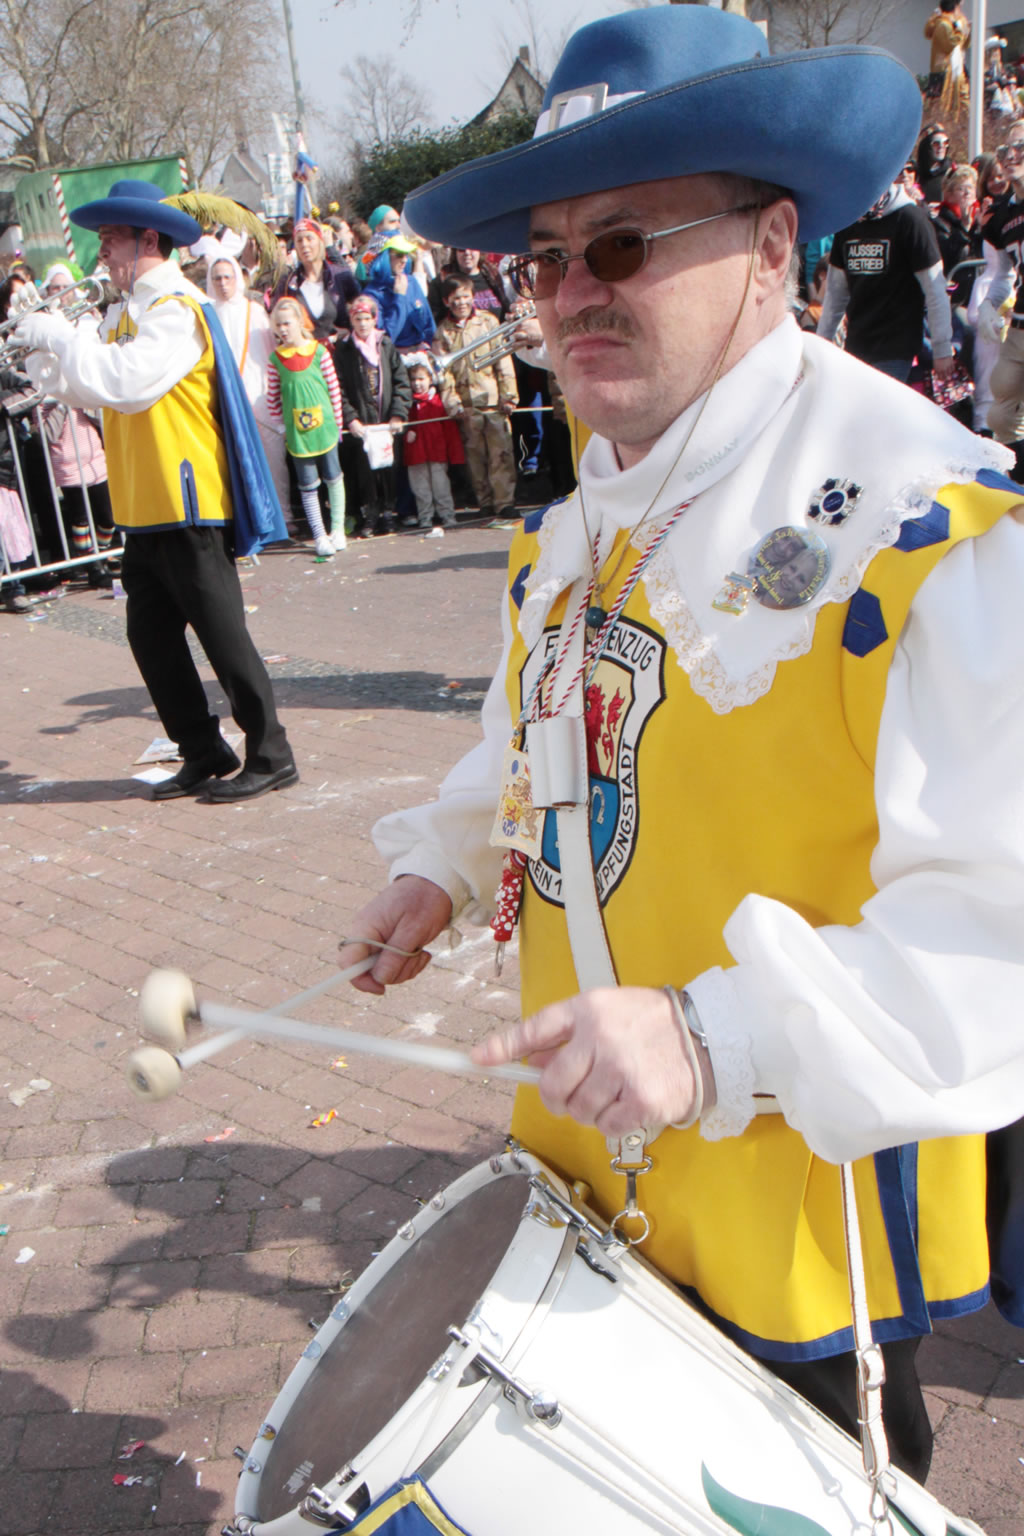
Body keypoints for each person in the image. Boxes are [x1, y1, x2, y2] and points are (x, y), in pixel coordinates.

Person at [338, 5, 1024, 1486]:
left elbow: (997, 924)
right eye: (546, 260)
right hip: (587, 1169)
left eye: (623, 244)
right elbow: (537, 733)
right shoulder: (583, 515)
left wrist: (714, 1038)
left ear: (773, 248)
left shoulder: (928, 521)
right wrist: (445, 864)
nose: (573, 293)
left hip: (798, 1213)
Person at [15, 179, 298, 803]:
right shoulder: (124, 311)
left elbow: (127, 382)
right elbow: (89, 388)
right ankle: (202, 748)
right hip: (143, 503)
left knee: (222, 635)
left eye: (110, 239)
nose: (101, 253)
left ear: (148, 240)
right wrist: (39, 353)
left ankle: (271, 752)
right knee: (150, 638)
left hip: (186, 497)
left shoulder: (175, 308)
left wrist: (61, 336)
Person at [817, 180, 954, 384]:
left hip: (896, 347)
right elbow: (835, 295)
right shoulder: (849, 224)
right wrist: (822, 345)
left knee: (879, 402)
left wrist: (942, 348)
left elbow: (935, 288)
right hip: (857, 344)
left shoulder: (910, 219)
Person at [37, 264, 117, 590]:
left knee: (106, 513)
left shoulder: (86, 322)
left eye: (64, 287)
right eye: (54, 288)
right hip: (64, 442)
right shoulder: (43, 328)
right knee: (79, 514)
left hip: (91, 439)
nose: (60, 293)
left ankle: (105, 553)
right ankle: (92, 565)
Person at [205, 250, 290, 524]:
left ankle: (283, 516)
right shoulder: (208, 315)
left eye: (227, 277)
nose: (222, 283)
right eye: (217, 278)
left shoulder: (253, 310)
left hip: (260, 394)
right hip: (227, 396)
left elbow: (270, 352)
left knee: (273, 457)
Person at [267, 297, 346, 558]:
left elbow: (333, 388)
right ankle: (319, 534)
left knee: (334, 477)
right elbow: (273, 397)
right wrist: (280, 425)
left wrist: (338, 422)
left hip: (325, 429)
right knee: (308, 484)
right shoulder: (276, 359)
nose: (283, 329)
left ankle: (337, 529)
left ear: (299, 322)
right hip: (298, 434)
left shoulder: (319, 352)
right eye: (278, 325)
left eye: (287, 323)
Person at [434, 275, 518, 520]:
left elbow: (503, 359)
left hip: (492, 400)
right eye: (455, 298)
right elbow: (445, 374)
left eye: (465, 296)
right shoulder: (443, 331)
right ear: (447, 301)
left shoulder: (488, 322)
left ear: (473, 297)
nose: (461, 302)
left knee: (501, 454)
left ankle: (505, 502)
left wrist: (509, 394)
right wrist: (453, 403)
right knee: (475, 458)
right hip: (466, 405)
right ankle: (485, 502)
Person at [333, 293, 411, 537]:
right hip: (362, 423)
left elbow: (401, 381)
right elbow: (338, 387)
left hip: (386, 420)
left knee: (388, 468)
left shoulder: (385, 345)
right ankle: (370, 513)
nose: (363, 324)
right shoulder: (344, 349)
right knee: (365, 471)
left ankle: (388, 512)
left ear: (374, 319)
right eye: (358, 319)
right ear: (351, 321)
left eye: (367, 318)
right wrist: (350, 418)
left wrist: (398, 414)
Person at [976, 124, 1024, 461]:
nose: (1010, 156)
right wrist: (989, 305)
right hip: (1019, 324)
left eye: (1020, 147)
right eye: (1006, 149)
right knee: (1001, 415)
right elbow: (1004, 271)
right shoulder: (1002, 214)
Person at [270, 217, 359, 343]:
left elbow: (360, 311)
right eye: (299, 240)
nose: (304, 244)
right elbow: (276, 320)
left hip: (340, 350)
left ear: (320, 241)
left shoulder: (340, 276)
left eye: (309, 238)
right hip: (305, 352)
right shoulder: (288, 283)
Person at [401, 357, 465, 530]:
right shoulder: (407, 403)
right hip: (416, 454)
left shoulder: (438, 402)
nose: (417, 384)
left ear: (430, 379)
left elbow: (450, 431)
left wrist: (454, 455)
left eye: (421, 379)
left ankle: (447, 515)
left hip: (437, 452)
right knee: (420, 488)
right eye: (413, 379)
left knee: (441, 486)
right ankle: (425, 517)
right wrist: (407, 433)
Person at [361, 237, 436, 354]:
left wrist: (429, 345)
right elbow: (386, 338)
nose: (404, 260)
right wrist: (399, 297)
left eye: (406, 255)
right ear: (384, 257)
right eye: (399, 255)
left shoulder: (411, 281)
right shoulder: (371, 294)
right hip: (394, 356)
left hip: (421, 352)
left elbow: (428, 322)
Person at [924, 2, 970, 118]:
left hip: (957, 70)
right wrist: (960, 31)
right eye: (959, 6)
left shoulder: (959, 21)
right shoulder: (942, 23)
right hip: (943, 70)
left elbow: (964, 44)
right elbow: (950, 44)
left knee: (961, 103)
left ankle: (962, 124)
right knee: (940, 106)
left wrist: (966, 32)